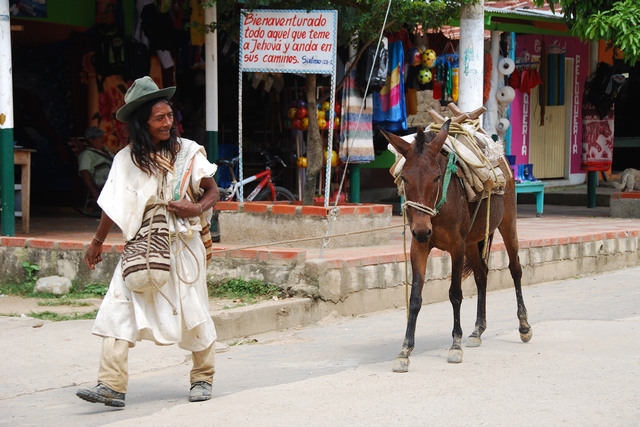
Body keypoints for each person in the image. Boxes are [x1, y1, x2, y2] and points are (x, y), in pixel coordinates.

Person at [76, 76, 220, 407]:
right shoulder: (125, 159)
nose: (168, 123)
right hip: (141, 243)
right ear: (143, 122)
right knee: (118, 305)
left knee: (193, 309)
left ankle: (203, 377)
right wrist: (97, 242)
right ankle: (111, 384)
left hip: (183, 243)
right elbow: (112, 204)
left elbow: (213, 191)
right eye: (159, 118)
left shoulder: (188, 152)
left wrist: (195, 207)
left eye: (169, 115)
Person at [78, 126, 114, 201]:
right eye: (99, 137)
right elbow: (84, 173)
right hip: (105, 181)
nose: (102, 139)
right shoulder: (87, 154)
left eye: (102, 136)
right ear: (91, 140)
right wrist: (94, 190)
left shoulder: (108, 152)